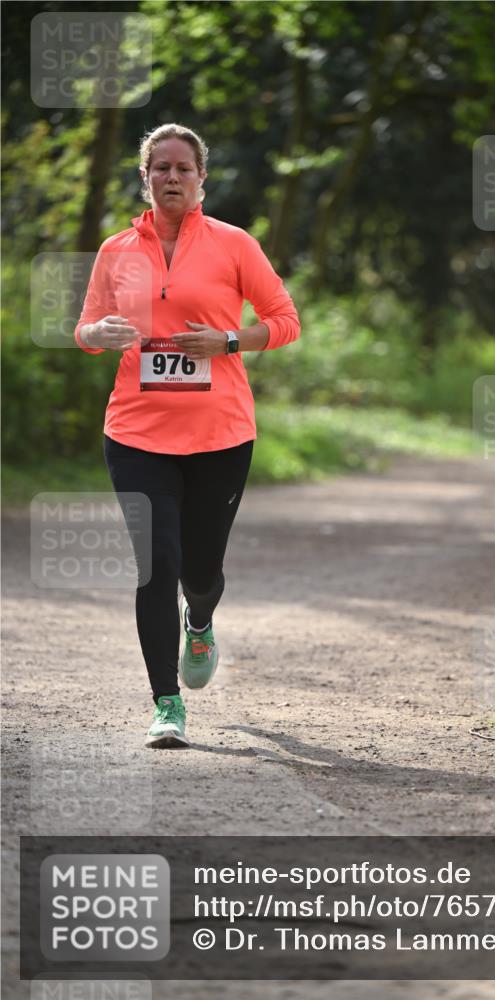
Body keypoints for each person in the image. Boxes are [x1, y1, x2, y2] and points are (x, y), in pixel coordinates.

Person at [74, 123, 300, 748]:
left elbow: (284, 321)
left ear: (202, 179)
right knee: (157, 565)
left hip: (220, 435)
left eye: (183, 168)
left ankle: (199, 618)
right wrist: (100, 335)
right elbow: (86, 329)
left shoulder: (233, 245)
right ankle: (166, 703)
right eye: (160, 168)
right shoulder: (116, 250)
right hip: (136, 432)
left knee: (199, 570)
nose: (171, 177)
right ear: (144, 178)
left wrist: (227, 340)